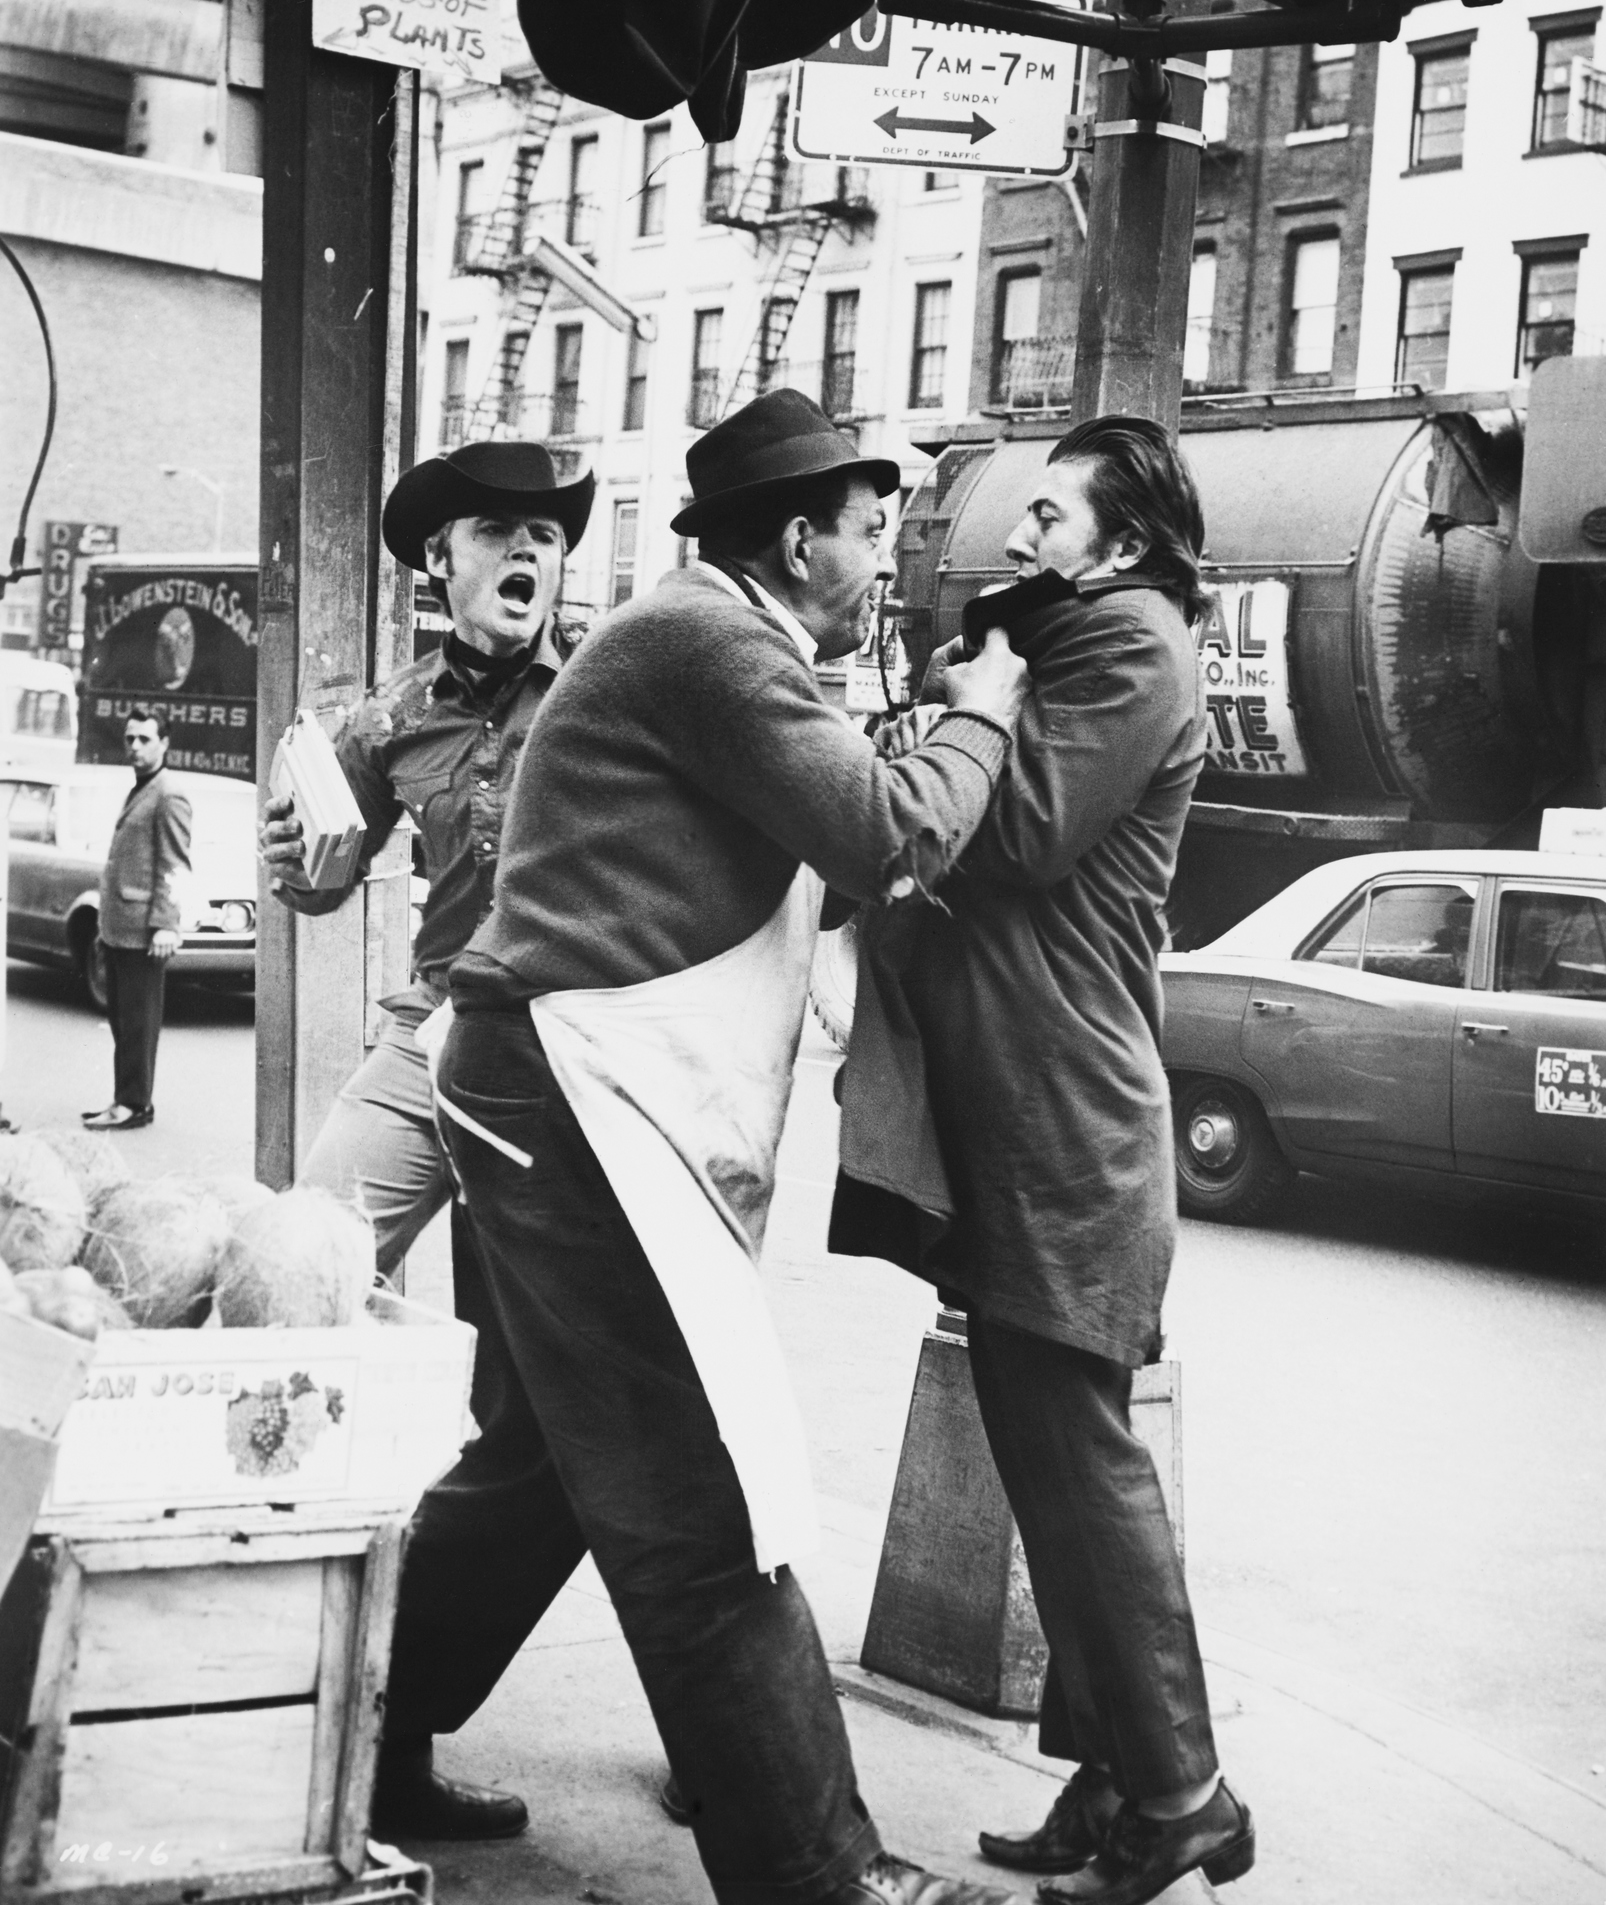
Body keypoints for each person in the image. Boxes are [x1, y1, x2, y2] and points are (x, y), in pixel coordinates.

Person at [387, 388, 1034, 1905]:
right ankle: (820, 1872)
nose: (883, 564)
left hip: (554, 1088)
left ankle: (356, 1717)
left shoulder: (721, 640)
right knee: (701, 1495)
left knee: (544, 1467)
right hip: (571, 1100)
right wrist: (986, 709)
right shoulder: (711, 643)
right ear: (800, 539)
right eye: (872, 535)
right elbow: (890, 834)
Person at [831, 417, 1254, 1905]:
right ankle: (1110, 1775)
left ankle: (1179, 1795)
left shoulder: (1128, 643)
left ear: (1125, 547)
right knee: (1046, 1451)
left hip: (1067, 1125)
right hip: (1031, 1116)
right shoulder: (1068, 642)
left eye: (1052, 515)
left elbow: (1006, 838)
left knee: (1075, 1461)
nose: (1017, 532)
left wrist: (976, 699)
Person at [258, 440, 592, 1290]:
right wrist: (295, 858)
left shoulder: (607, 683)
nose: (526, 550)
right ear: (439, 557)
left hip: (573, 1040)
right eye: (496, 530)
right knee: (304, 1268)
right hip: (436, 1025)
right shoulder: (390, 716)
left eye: (545, 536)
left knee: (520, 1343)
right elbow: (324, 883)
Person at [82, 708, 192, 1131]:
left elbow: (175, 865)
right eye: (130, 738)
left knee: (138, 1025)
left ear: (165, 744)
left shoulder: (168, 793)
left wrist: (166, 923)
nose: (135, 747)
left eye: (145, 739)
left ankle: (134, 1105)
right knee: (123, 1023)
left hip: (145, 932)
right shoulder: (141, 788)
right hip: (119, 929)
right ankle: (124, 1099)